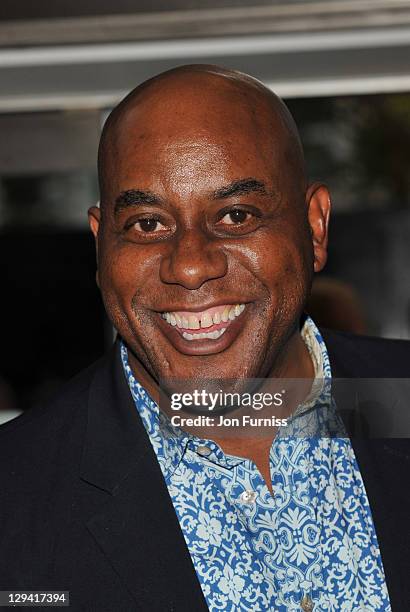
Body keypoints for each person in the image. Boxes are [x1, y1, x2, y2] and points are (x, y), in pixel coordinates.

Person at [1, 65, 409, 612]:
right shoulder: (14, 499)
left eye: (236, 215)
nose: (190, 267)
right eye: (147, 224)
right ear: (101, 247)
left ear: (314, 228)